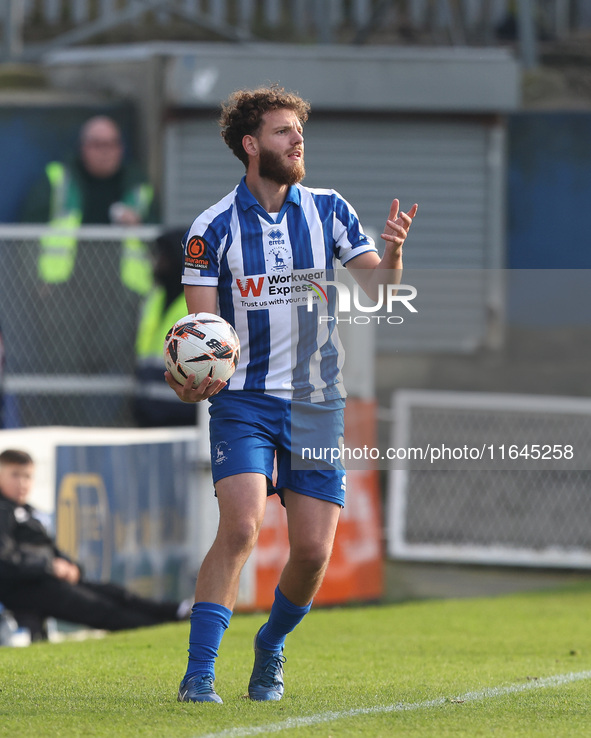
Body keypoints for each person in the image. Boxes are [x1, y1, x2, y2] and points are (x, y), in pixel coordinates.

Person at [164, 85, 418, 704]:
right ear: (251, 145)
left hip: (314, 401)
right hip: (244, 403)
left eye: (299, 130)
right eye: (283, 131)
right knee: (243, 526)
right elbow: (205, 335)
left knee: (309, 551)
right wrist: (194, 374)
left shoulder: (328, 209)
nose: (297, 140)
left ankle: (270, 646)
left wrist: (393, 253)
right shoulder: (212, 228)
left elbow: (381, 293)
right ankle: (199, 673)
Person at [19, 115, 160, 425]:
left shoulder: (138, 187)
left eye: (111, 144)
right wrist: (36, 282)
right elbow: (27, 236)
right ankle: (63, 428)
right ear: (83, 148)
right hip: (62, 294)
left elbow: (159, 242)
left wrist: (139, 225)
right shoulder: (58, 179)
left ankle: (110, 430)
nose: (105, 151)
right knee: (62, 365)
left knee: (117, 371)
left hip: (121, 296)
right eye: (97, 144)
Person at [0, 449, 192, 640]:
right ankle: (160, 631)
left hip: (47, 578)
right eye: (15, 475)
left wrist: (71, 566)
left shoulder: (27, 511)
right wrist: (50, 567)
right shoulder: (3, 511)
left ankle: (178, 611)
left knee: (116, 594)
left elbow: (51, 549)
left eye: (27, 476)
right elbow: (6, 561)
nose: (22, 483)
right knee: (101, 608)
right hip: (25, 587)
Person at [134, 227, 197, 427]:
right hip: (148, 409)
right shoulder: (155, 298)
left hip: (185, 413)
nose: (157, 262)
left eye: (163, 256)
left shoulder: (197, 301)